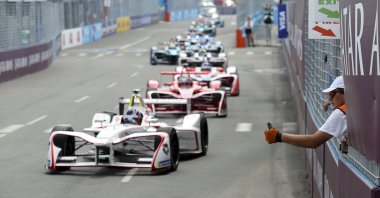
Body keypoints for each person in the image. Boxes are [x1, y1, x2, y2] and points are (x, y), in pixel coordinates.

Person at [264, 76, 346, 148]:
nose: (330, 99)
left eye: (331, 94)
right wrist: (331, 100)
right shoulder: (353, 107)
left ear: (344, 92)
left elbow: (313, 141)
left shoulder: (341, 113)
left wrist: (278, 137)